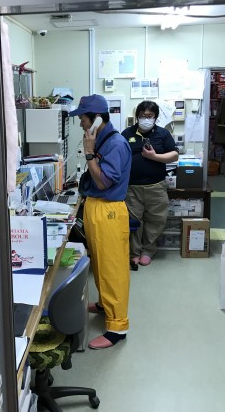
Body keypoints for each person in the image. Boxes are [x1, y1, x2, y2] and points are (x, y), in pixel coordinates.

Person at [70, 94, 132, 349]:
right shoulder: (102, 139)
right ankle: (105, 304)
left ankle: (117, 328)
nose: (80, 124)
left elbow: (103, 181)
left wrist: (88, 153)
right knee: (100, 264)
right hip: (96, 208)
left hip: (109, 212)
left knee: (112, 270)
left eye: (83, 119)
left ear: (96, 118)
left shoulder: (115, 144)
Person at [121, 100, 179, 270]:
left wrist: (154, 157)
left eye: (150, 116)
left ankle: (148, 250)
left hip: (156, 186)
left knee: (156, 220)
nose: (146, 119)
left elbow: (174, 155)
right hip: (132, 187)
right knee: (133, 221)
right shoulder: (127, 133)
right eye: (142, 116)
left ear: (155, 117)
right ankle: (134, 252)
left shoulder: (163, 134)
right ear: (137, 116)